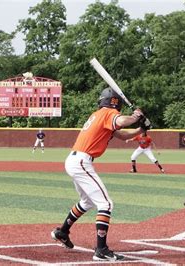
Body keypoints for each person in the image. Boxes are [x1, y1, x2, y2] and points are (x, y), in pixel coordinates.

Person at [50, 87, 150, 261]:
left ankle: (62, 231)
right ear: (115, 102)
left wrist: (141, 128)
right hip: (81, 161)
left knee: (87, 202)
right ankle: (101, 250)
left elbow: (122, 134)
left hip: (75, 160)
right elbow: (122, 121)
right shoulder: (108, 113)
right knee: (105, 204)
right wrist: (135, 116)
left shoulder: (99, 114)